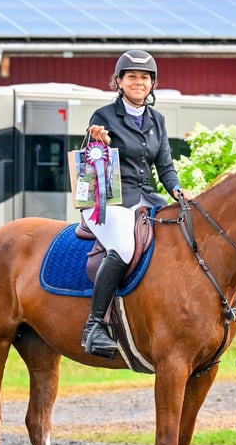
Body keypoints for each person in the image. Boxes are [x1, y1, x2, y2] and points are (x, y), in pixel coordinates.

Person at [80, 49, 193, 358]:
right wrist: (95, 140)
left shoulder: (157, 119)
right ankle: (94, 326)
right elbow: (91, 157)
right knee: (125, 247)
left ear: (152, 84)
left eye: (145, 78)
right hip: (108, 200)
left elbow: (165, 166)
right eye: (132, 77)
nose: (138, 82)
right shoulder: (102, 117)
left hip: (146, 198)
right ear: (119, 81)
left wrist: (178, 192)